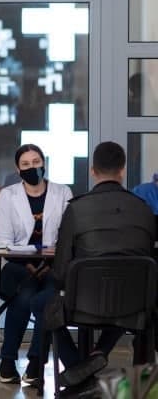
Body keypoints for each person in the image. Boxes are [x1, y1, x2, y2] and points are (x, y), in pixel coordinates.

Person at [50, 141, 155, 390]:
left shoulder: (76, 209)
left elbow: (61, 272)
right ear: (123, 170)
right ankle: (109, 369)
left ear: (92, 171)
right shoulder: (144, 209)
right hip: (135, 305)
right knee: (134, 305)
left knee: (46, 307)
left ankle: (81, 375)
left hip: (83, 305)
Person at [0, 144, 73, 385]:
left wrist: (48, 263)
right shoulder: (8, 195)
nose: (32, 167)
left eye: (36, 162)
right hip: (18, 267)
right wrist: (29, 262)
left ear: (44, 163)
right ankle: (7, 361)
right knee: (25, 295)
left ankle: (36, 362)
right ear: (18, 169)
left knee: (46, 299)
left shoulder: (62, 193)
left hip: (53, 266)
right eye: (26, 164)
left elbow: (68, 237)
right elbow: (3, 241)